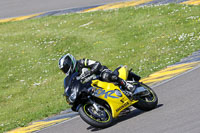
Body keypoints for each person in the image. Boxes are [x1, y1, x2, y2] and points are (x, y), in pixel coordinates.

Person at [58, 53, 140, 93]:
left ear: (70, 63)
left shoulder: (82, 62)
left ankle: (126, 85)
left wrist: (90, 72)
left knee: (107, 76)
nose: (65, 70)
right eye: (63, 69)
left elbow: (97, 64)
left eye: (65, 68)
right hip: (93, 85)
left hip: (100, 74)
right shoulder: (72, 76)